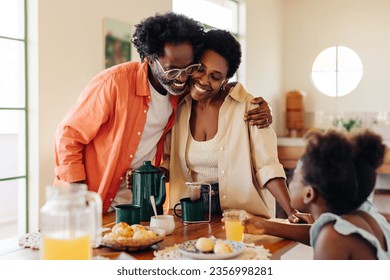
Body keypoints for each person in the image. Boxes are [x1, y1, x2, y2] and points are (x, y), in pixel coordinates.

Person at [53, 12, 271, 213]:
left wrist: (256, 105)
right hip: (92, 202)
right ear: (149, 58)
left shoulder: (181, 93)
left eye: (188, 69)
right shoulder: (114, 84)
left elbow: (218, 86)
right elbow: (68, 136)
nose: (182, 78)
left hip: (142, 204)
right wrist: (78, 196)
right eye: (172, 70)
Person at [161, 29, 302, 223]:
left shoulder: (249, 107)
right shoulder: (177, 106)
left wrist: (291, 210)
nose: (204, 80)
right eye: (200, 69)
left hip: (241, 214)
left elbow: (268, 166)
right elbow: (168, 161)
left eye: (215, 76)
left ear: (225, 81)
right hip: (190, 212)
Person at [247, 129, 390, 260]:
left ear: (309, 194)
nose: (290, 180)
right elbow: (316, 231)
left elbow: (327, 235)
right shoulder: (367, 216)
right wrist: (264, 226)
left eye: (295, 176)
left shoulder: (333, 238)